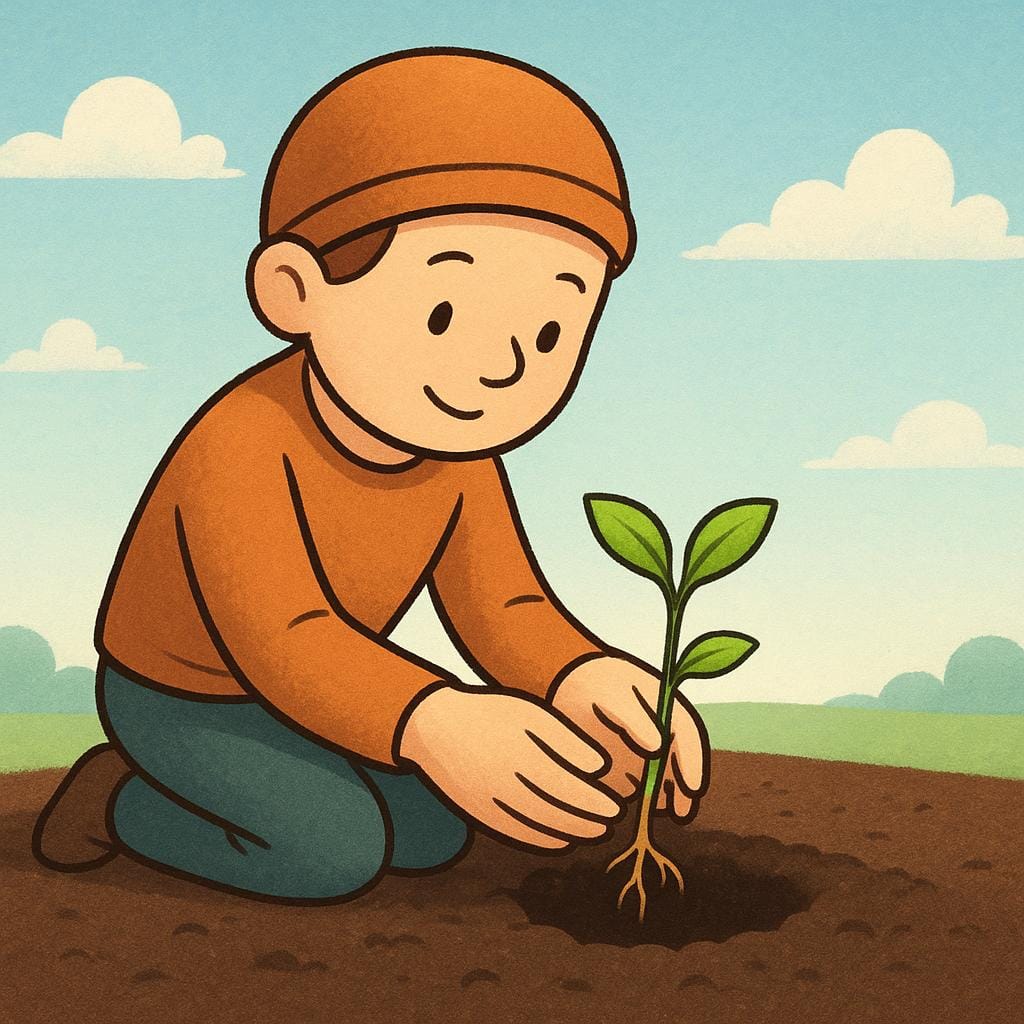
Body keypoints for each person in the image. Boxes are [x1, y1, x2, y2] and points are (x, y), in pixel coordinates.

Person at [33, 47, 709, 903]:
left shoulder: (461, 459)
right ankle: (122, 799)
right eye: (442, 313)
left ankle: (304, 780)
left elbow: (504, 605)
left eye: (548, 333)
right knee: (332, 854)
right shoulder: (242, 441)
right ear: (295, 289)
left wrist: (584, 674)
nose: (504, 367)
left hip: (327, 687)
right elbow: (284, 636)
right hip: (184, 695)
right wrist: (434, 720)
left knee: (430, 833)